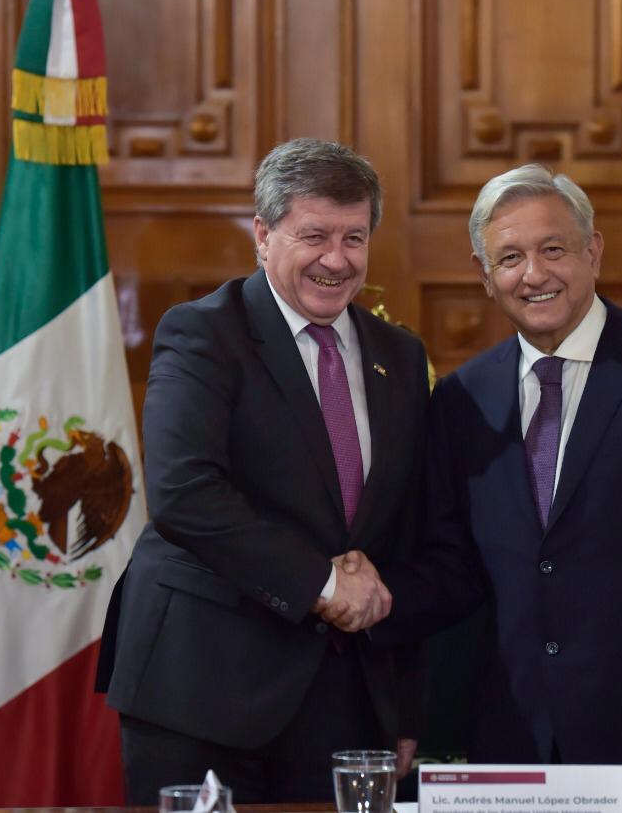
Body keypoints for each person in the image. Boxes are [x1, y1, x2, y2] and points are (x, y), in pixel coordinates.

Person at [333, 163, 622, 799]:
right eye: (509, 257)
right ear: (487, 278)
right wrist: (365, 593)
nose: (533, 274)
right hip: (512, 736)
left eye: (552, 249)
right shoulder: (464, 398)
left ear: (593, 251)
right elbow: (454, 567)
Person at [98, 138, 429, 803]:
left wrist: (407, 704)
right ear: (263, 235)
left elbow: (406, 532)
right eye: (314, 236)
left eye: (354, 238)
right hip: (202, 687)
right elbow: (184, 494)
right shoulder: (203, 333)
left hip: (342, 694)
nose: (337, 260)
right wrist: (322, 579)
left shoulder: (398, 353)